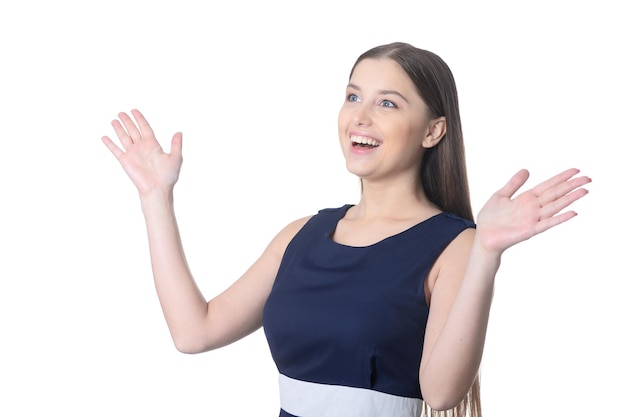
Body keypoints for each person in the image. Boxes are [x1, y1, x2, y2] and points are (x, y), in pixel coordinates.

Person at [101, 42, 591, 417]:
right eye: (353, 95)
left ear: (433, 131)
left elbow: (441, 392)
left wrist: (487, 253)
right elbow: (194, 331)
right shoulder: (301, 234)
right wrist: (155, 199)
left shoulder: (456, 244)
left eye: (388, 104)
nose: (359, 116)